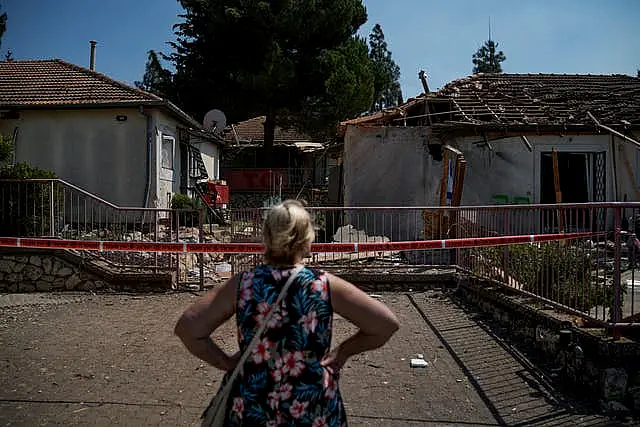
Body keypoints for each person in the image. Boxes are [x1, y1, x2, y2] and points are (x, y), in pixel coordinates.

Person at [174, 200, 400, 426]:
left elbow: (188, 328)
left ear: (267, 237)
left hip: (254, 406)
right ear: (306, 239)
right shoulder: (323, 285)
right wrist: (344, 351)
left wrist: (224, 362)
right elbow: (385, 324)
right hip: (312, 407)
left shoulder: (243, 285)